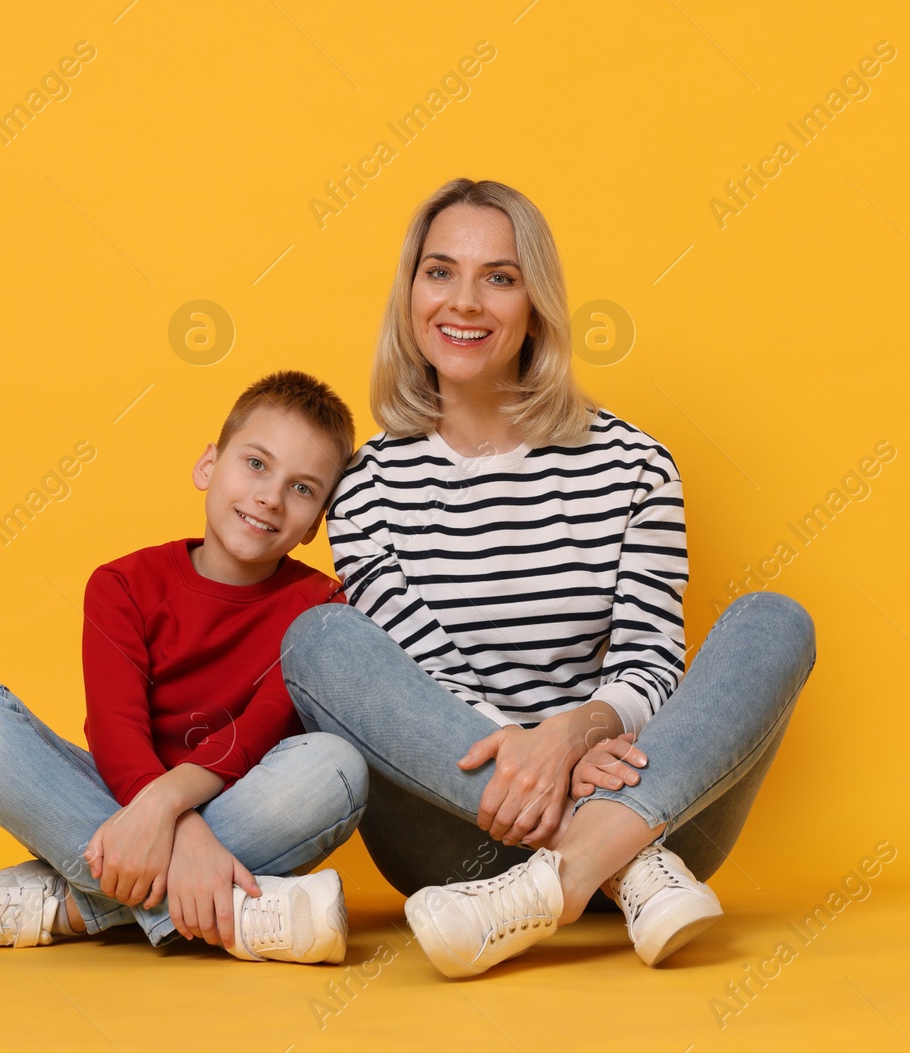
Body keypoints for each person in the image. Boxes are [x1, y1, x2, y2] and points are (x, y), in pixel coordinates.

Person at [280, 179, 818, 978]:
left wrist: (576, 732)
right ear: (410, 292)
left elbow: (651, 664)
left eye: (500, 276)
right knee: (317, 638)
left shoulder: (634, 465)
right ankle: (614, 859)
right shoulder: (365, 489)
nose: (465, 301)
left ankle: (573, 870)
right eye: (440, 272)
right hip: (458, 836)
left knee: (776, 620)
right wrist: (548, 764)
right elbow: (424, 688)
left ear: (536, 303)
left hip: (655, 809)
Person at [0, 370, 368, 965]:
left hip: (235, 800)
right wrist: (178, 826)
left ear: (314, 527)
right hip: (115, 798)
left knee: (337, 768)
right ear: (208, 466)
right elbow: (117, 735)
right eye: (256, 464)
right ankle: (239, 911)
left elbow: (255, 737)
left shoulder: (322, 610)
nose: (271, 497)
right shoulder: (122, 584)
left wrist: (169, 812)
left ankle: (58, 909)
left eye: (303, 489)